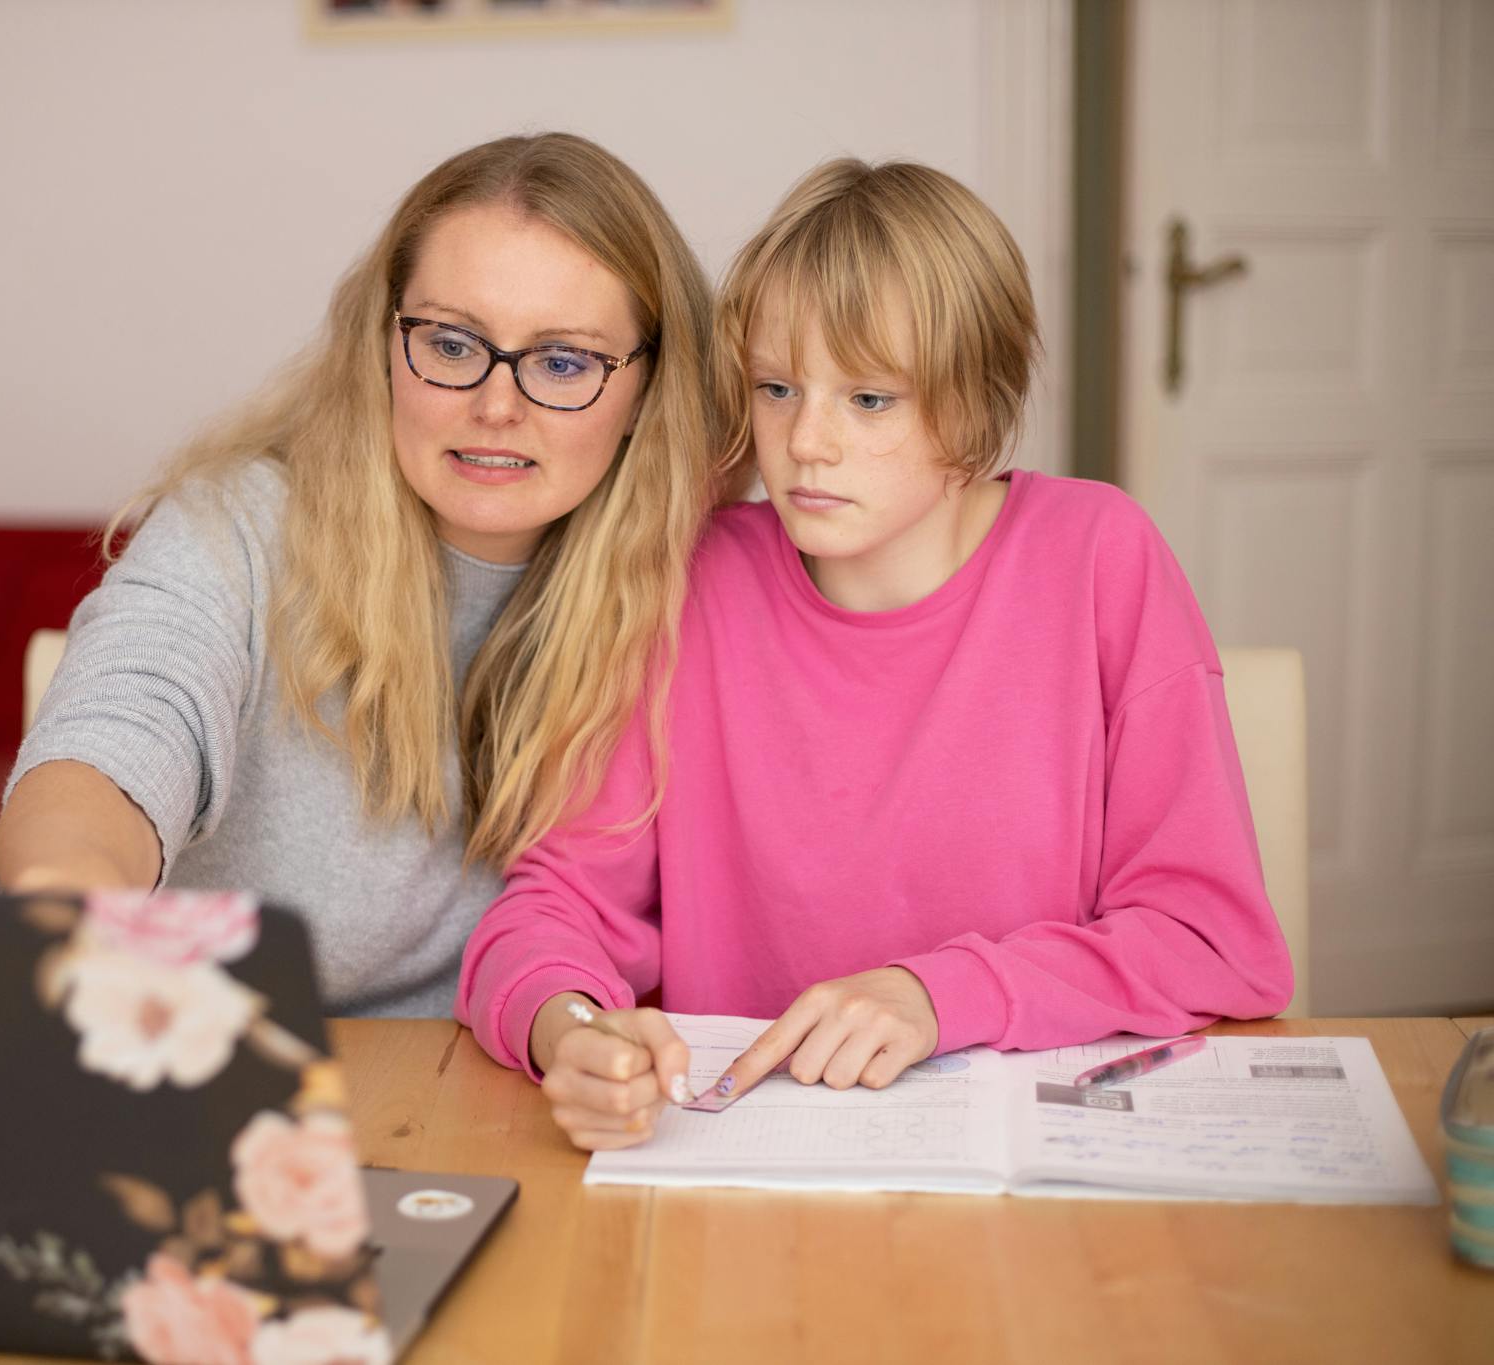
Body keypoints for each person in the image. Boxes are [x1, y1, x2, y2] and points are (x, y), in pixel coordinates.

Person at [457, 158, 1294, 1149]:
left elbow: (1210, 944)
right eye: (776, 387)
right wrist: (571, 1032)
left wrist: (936, 996)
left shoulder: (1097, 556)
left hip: (1027, 1173)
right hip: (740, 1171)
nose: (805, 441)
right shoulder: (689, 580)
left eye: (868, 400)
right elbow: (554, 907)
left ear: (972, 405)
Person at [0, 133, 719, 1018]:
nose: (497, 405)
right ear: (383, 343)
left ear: (647, 384)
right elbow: (117, 733)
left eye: (563, 361)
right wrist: (70, 896)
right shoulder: (239, 526)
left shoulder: (693, 584)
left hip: (474, 1086)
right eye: (452, 345)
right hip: (187, 1051)